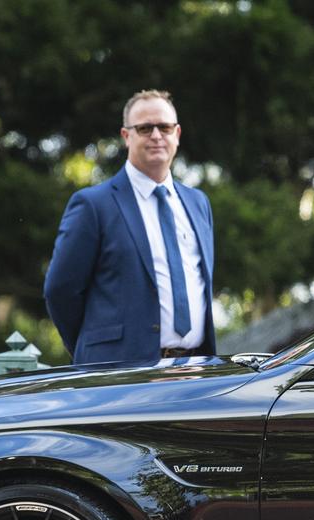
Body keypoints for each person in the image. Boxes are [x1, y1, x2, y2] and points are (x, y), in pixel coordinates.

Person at [45, 89, 215, 365]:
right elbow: (60, 291)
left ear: (178, 133)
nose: (157, 136)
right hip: (119, 376)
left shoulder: (198, 203)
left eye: (165, 127)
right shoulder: (93, 205)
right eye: (145, 128)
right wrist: (92, 349)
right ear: (127, 136)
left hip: (194, 372)